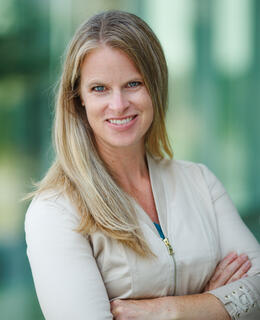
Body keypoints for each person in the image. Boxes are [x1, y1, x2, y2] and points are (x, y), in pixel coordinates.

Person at [25, 10, 260, 320]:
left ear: (156, 86)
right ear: (77, 98)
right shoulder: (55, 210)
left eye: (133, 83)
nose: (119, 104)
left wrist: (170, 310)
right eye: (99, 88)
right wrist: (216, 305)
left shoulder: (200, 182)